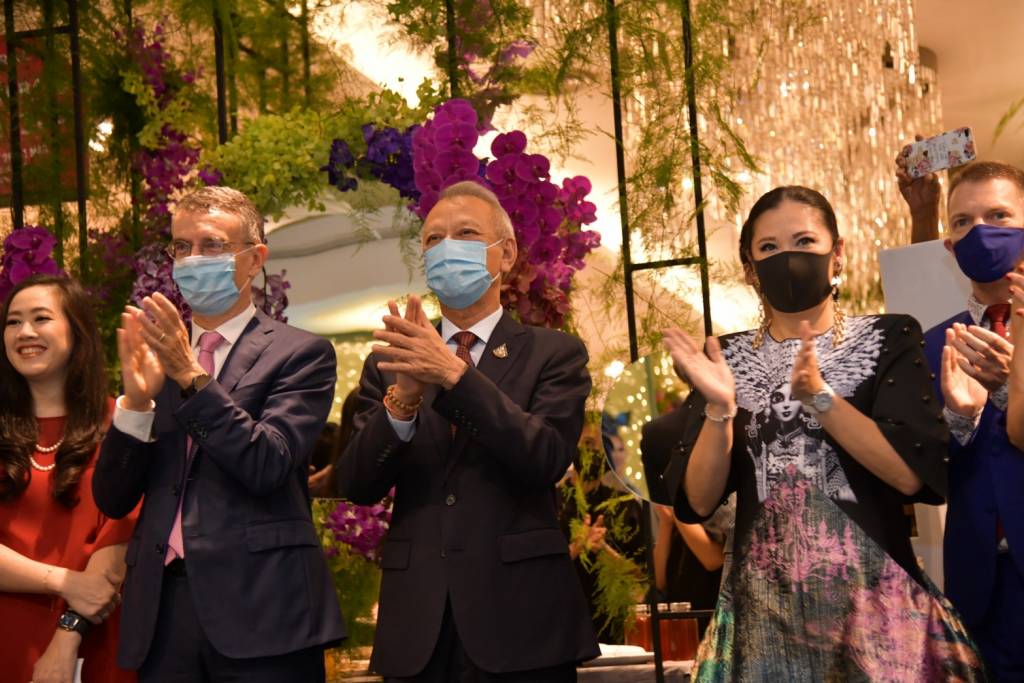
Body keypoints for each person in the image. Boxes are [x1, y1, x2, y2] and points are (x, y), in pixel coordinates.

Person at [662, 186, 984, 680]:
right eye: (768, 247)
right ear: (750, 269)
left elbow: (910, 477)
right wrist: (720, 408)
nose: (787, 257)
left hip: (876, 615)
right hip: (764, 624)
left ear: (838, 254)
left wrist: (821, 399)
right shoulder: (723, 357)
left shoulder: (887, 337)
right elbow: (699, 502)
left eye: (804, 241)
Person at [336, 180, 599, 681]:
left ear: (506, 254)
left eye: (466, 233)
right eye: (434, 239)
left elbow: (545, 457)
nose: (447, 247)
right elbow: (357, 484)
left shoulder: (553, 353)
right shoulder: (390, 361)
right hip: (418, 623)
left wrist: (456, 376)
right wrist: (404, 399)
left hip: (522, 620)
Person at [92, 186, 345, 682]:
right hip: (164, 611)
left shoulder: (300, 354)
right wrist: (136, 404)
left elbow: (268, 463)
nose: (192, 259)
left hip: (264, 607)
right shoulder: (156, 358)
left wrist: (191, 376)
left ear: (255, 259)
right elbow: (113, 499)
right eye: (181, 247)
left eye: (211, 245)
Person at [908, 160, 1024, 680]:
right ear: (950, 247)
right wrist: (959, 418)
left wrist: (1009, 388)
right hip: (978, 582)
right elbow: (923, 470)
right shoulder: (934, 342)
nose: (980, 231)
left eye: (998, 216)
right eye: (962, 222)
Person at [0, 275, 138, 683]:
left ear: (77, 332)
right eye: (13, 321)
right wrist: (63, 581)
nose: (25, 332)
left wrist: (66, 637)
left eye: (41, 318)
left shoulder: (122, 423)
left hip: (95, 637)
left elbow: (119, 542)